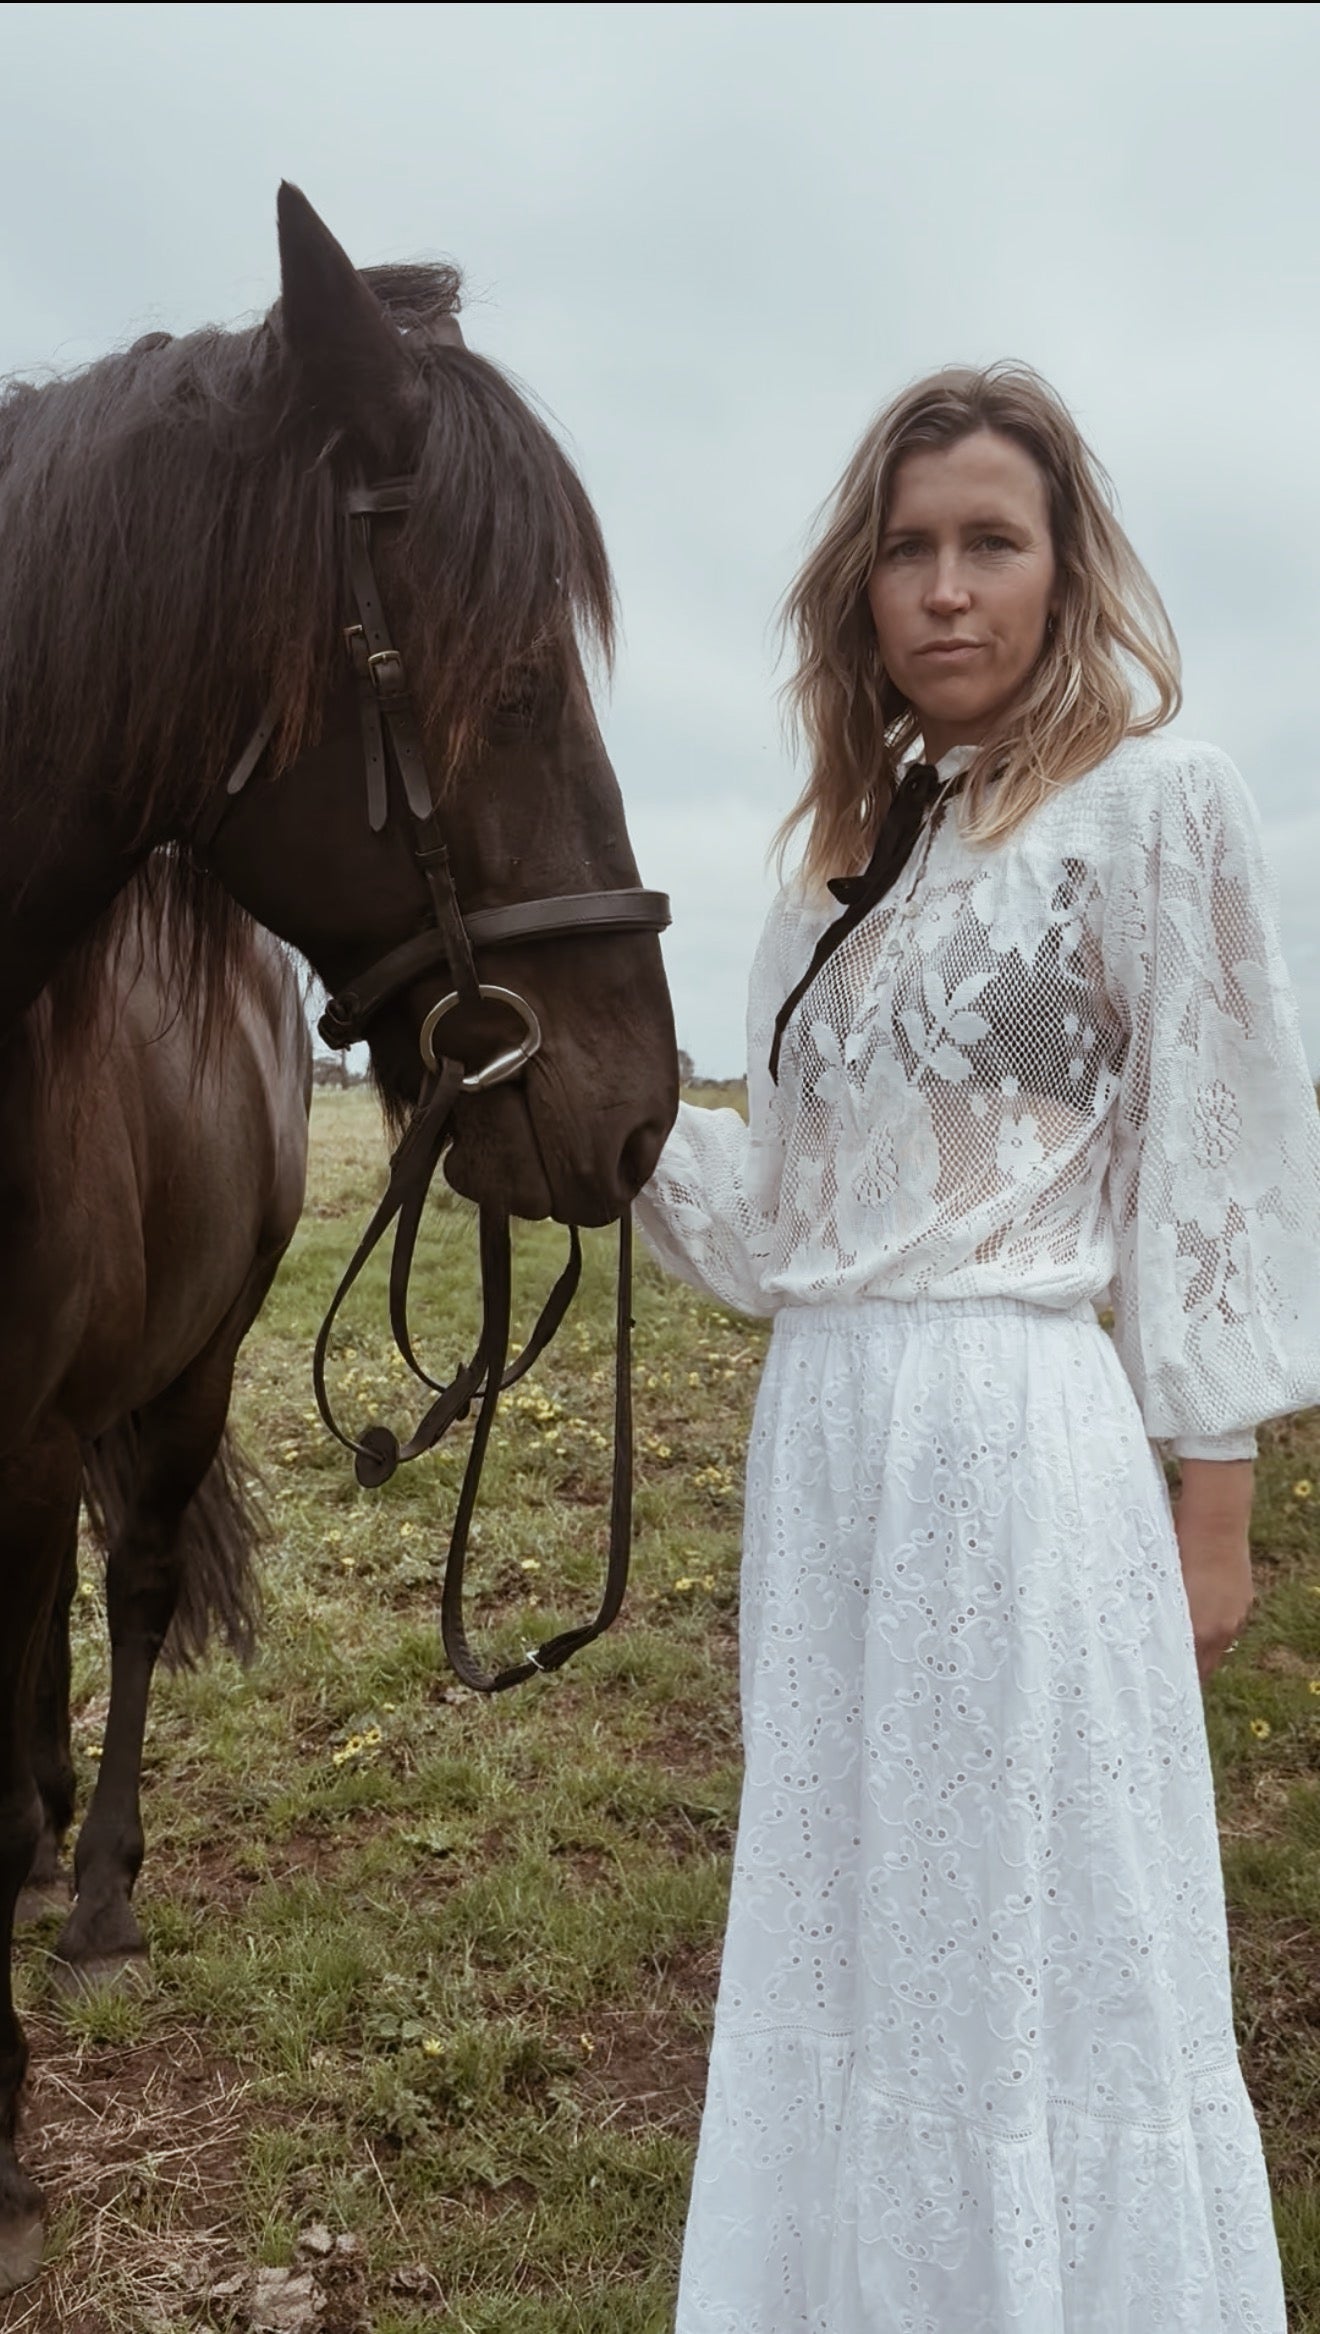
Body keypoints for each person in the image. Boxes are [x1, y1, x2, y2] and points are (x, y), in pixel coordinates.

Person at [634, 363, 1320, 2332]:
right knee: (858, 1932)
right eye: (909, 550)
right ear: (860, 591)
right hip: (824, 1448)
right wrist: (607, 1125)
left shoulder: (1152, 810)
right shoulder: (835, 877)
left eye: (989, 544)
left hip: (1018, 1431)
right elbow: (788, 1230)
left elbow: (1225, 1151)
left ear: (1063, 567)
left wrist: (1218, 1491)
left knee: (1035, 1933)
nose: (946, 589)